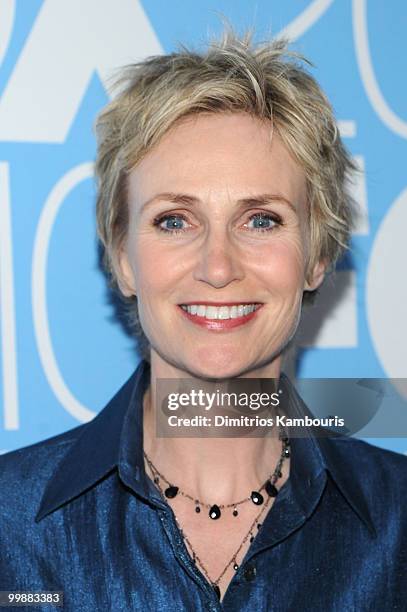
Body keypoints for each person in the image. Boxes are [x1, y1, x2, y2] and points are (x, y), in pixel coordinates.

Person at [1, 30, 406, 612]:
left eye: (262, 220)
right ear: (122, 257)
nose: (218, 267)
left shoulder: (398, 523)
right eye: (174, 221)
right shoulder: (9, 528)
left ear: (317, 255)